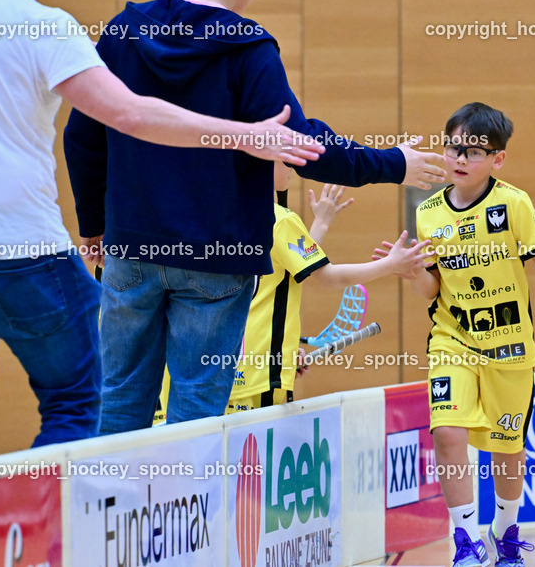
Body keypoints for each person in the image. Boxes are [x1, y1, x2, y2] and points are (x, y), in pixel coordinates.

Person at [0, 0, 320, 464]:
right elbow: (126, 114)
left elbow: (84, 139)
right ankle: (68, 545)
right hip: (26, 252)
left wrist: (95, 227)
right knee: (82, 404)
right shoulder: (48, 27)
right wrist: (249, 134)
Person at [63, 0, 445, 434]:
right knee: (196, 414)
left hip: (130, 248)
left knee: (121, 403)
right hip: (217, 260)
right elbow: (304, 143)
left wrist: (93, 228)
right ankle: (183, 515)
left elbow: (82, 138)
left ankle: (111, 516)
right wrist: (393, 162)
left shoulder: (125, 33)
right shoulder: (248, 47)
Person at [383, 102, 535, 567]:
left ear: (497, 159)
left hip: (510, 348)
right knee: (448, 432)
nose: (459, 157)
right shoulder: (429, 212)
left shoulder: (513, 203)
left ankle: (505, 530)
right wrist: (413, 274)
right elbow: (432, 289)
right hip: (453, 340)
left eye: (474, 151)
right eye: (453, 146)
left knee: (507, 453)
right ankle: (465, 540)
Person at [152, 171, 408, 423]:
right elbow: (328, 277)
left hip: (184, 376)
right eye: (285, 160)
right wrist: (390, 265)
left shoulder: (190, 216)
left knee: (190, 461)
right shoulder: (277, 220)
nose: (291, 167)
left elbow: (285, 270)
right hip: (254, 381)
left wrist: (320, 224)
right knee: (250, 464)